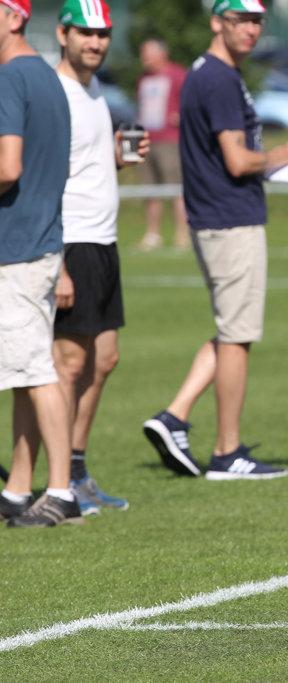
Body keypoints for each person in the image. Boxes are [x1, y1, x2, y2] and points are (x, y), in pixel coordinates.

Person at [142, 0, 288, 480]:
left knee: (229, 327)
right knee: (239, 336)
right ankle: (227, 452)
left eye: (258, 21)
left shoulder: (208, 73)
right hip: (230, 219)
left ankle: (173, 416)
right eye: (241, 20)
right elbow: (238, 160)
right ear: (218, 22)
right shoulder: (217, 78)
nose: (252, 30)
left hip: (217, 216)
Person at [53, 0, 148, 515]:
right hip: (72, 242)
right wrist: (59, 261)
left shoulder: (95, 93)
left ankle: (77, 467)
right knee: (68, 366)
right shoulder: (55, 92)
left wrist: (117, 158)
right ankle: (58, 481)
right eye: (86, 33)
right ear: (63, 33)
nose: (95, 42)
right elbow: (44, 178)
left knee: (104, 360)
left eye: (103, 34)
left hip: (104, 242)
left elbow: (83, 163)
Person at [0, 0, 80, 526]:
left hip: (18, 247)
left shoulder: (10, 78)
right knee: (24, 370)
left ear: (12, 16)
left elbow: (8, 168)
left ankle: (62, 490)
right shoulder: (50, 78)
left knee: (36, 371)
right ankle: (17, 490)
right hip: (42, 244)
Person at [136, 37, 189, 250]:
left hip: (170, 141)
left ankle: (182, 234)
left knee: (176, 189)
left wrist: (182, 117)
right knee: (150, 191)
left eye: (148, 53)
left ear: (161, 53)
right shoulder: (142, 79)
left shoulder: (178, 75)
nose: (144, 58)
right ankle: (152, 234)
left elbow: (192, 104)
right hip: (147, 140)